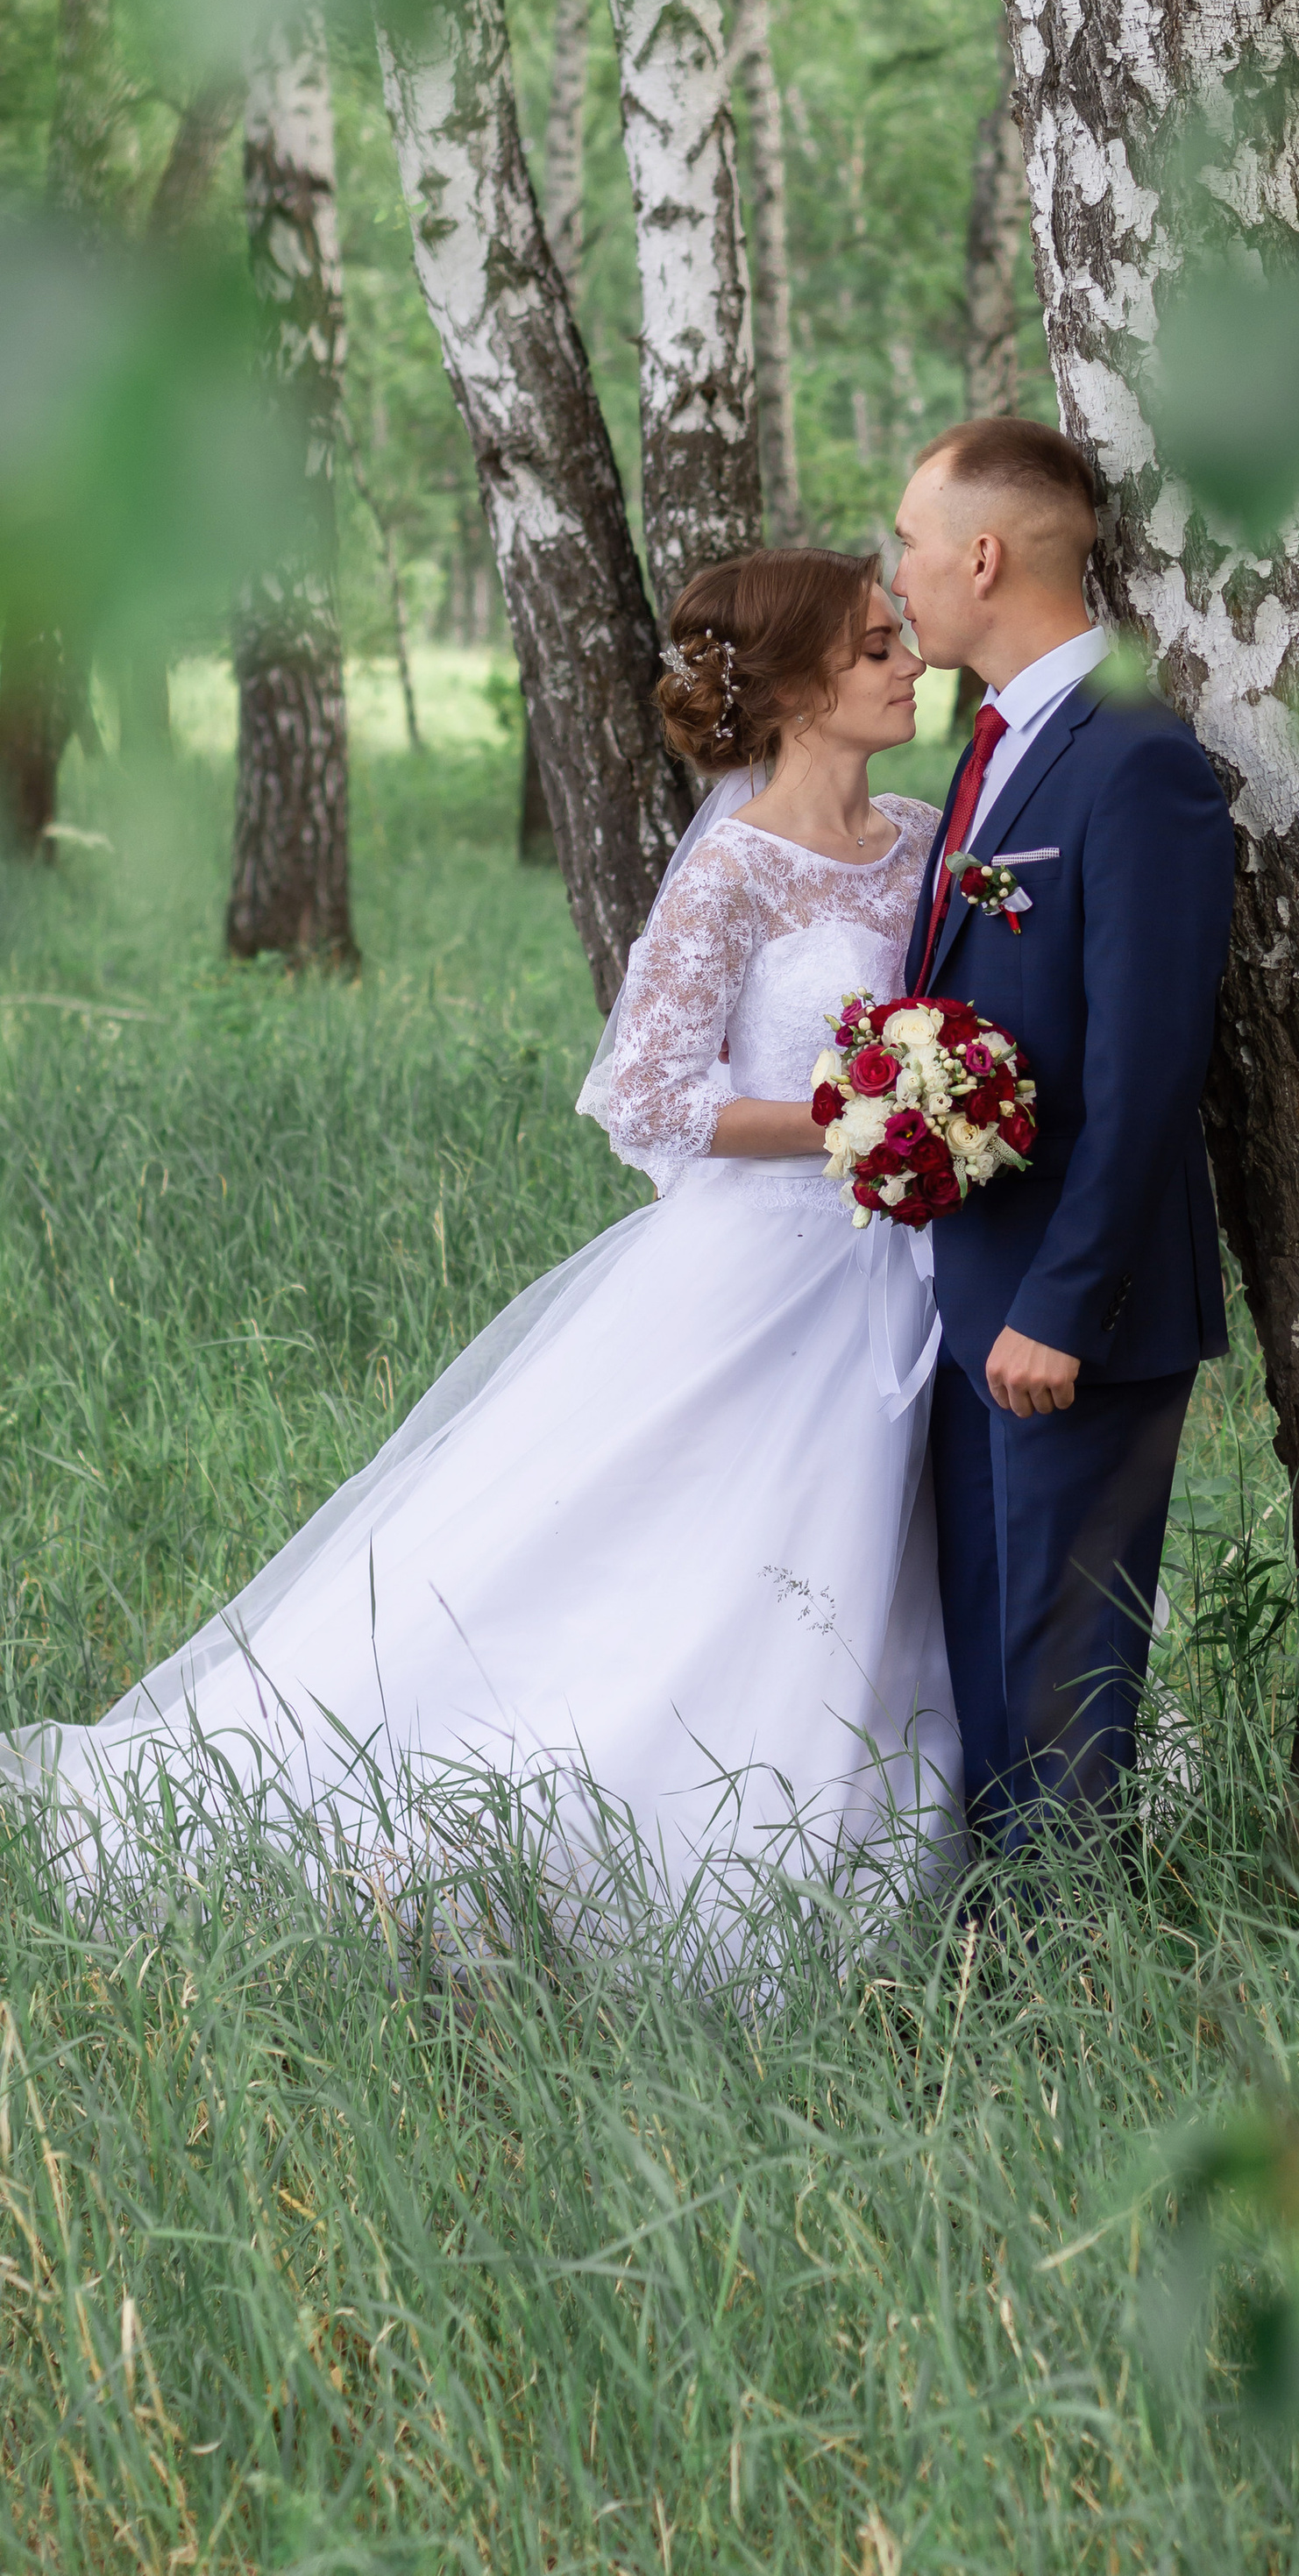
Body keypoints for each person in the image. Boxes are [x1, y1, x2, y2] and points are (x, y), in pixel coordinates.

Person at [2, 553, 962, 1962]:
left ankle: (910, 1835)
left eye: (905, 638)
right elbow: (646, 1097)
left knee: (892, 1555)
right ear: (803, 684)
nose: (912, 659)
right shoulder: (739, 873)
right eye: (880, 645)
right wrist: (859, 1118)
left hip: (914, 1266)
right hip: (761, 1272)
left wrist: (949, 1112)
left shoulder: (935, 838)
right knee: (673, 1558)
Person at [888, 418, 1236, 1855]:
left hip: (1070, 1322)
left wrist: (1062, 1306)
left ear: (983, 553)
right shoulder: (997, 746)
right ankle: (998, 1980)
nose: (896, 575)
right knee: (987, 1665)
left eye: (909, 542)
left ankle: (1069, 1998)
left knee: (1066, 1695)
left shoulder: (1135, 757)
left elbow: (1150, 1066)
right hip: (971, 1301)